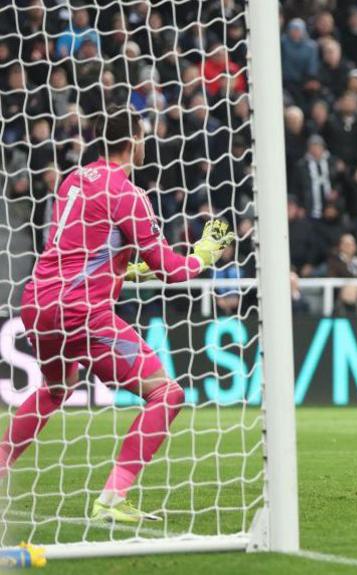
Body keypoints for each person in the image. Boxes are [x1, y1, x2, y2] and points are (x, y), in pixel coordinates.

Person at [0, 107, 235, 522]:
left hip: (37, 303)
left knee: (57, 388)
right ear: (134, 141)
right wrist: (203, 255)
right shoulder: (128, 194)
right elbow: (170, 269)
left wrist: (125, 266)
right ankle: (111, 499)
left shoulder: (74, 180)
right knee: (167, 394)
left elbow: (82, 248)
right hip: (82, 312)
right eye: (143, 137)